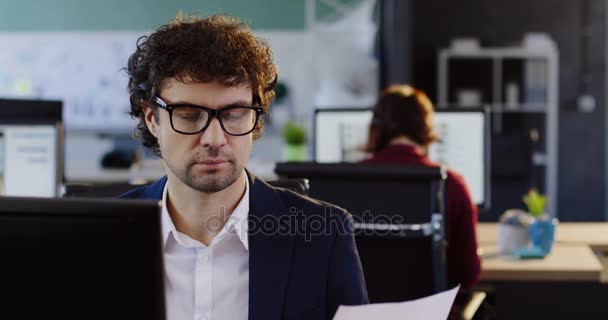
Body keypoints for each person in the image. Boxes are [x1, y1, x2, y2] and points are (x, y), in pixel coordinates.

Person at [120, 13, 368, 320]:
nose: (214, 139)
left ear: (256, 118)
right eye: (188, 115)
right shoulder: (101, 237)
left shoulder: (323, 236)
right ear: (151, 118)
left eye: (234, 114)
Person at [361, 84, 481, 288]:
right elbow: (467, 274)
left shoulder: (349, 180)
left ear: (376, 128)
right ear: (426, 129)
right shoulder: (451, 183)